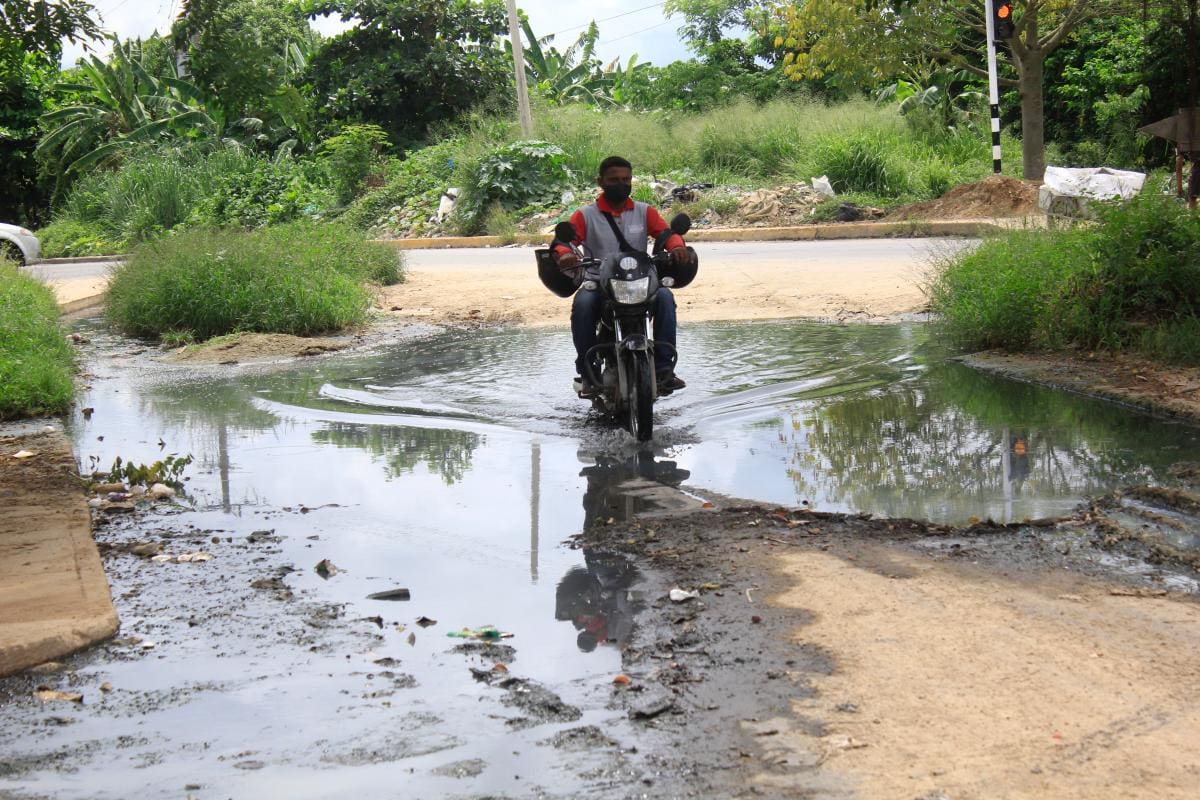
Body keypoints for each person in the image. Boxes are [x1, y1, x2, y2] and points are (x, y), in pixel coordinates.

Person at [554, 156, 691, 397]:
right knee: (583, 304)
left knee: (665, 298)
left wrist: (677, 246)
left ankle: (664, 369)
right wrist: (565, 254)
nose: (621, 184)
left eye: (626, 179)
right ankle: (588, 371)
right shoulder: (585, 215)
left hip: (639, 281)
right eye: (614, 179)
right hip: (599, 282)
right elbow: (564, 242)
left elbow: (666, 233)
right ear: (601, 182)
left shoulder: (643, 211)